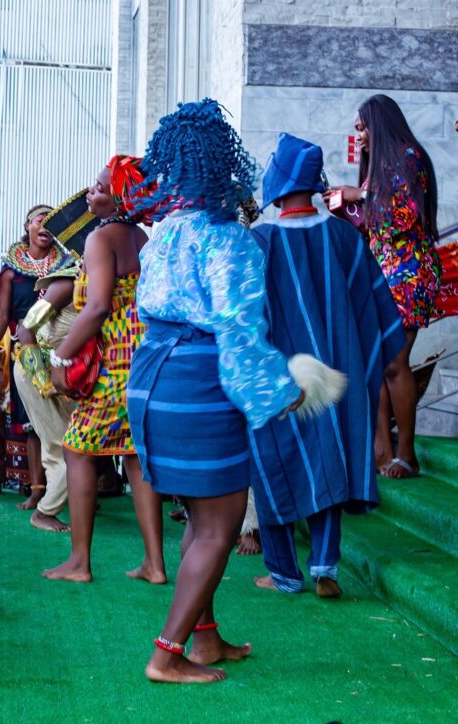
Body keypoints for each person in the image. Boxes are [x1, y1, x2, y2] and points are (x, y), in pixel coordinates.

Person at [126, 99, 342, 684]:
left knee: (199, 523)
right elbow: (239, 333)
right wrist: (281, 393)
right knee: (219, 530)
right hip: (200, 384)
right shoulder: (230, 240)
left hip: (152, 380)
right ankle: (166, 656)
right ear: (227, 163)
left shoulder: (162, 234)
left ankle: (206, 640)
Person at [251, 133, 405, 597]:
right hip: (337, 377)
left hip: (279, 378)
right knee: (328, 459)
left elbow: (245, 316)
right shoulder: (344, 237)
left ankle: (283, 572)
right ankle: (324, 567)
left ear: (278, 182)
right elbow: (375, 313)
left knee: (272, 463)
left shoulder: (260, 242)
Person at [43, 157, 162, 582]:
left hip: (113, 365)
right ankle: (155, 563)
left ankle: (79, 562)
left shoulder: (99, 239)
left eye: (99, 188)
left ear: (120, 199)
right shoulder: (142, 238)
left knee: (76, 449)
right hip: (143, 361)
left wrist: (60, 356)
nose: (90, 193)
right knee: (134, 455)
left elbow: (95, 309)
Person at [326, 94, 441, 478]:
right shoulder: (378, 167)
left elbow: (403, 217)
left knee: (393, 362)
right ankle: (381, 452)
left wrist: (359, 194)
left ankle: (406, 455)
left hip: (409, 273)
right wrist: (346, 209)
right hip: (384, 274)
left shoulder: (409, 157)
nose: (358, 135)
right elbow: (374, 226)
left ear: (379, 123)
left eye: (362, 127)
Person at [0, 206, 76, 506]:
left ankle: (75, 486)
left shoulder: (68, 266)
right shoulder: (11, 272)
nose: (45, 225)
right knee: (33, 423)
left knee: (69, 415)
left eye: (51, 220)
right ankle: (38, 489)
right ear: (28, 226)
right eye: (40, 219)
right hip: (25, 353)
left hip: (62, 351)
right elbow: (3, 315)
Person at [13, 263, 79, 531]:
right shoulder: (67, 284)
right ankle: (45, 512)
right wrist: (42, 380)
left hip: (68, 378)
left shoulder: (108, 285)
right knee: (63, 446)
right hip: (36, 372)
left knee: (73, 445)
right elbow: (25, 329)